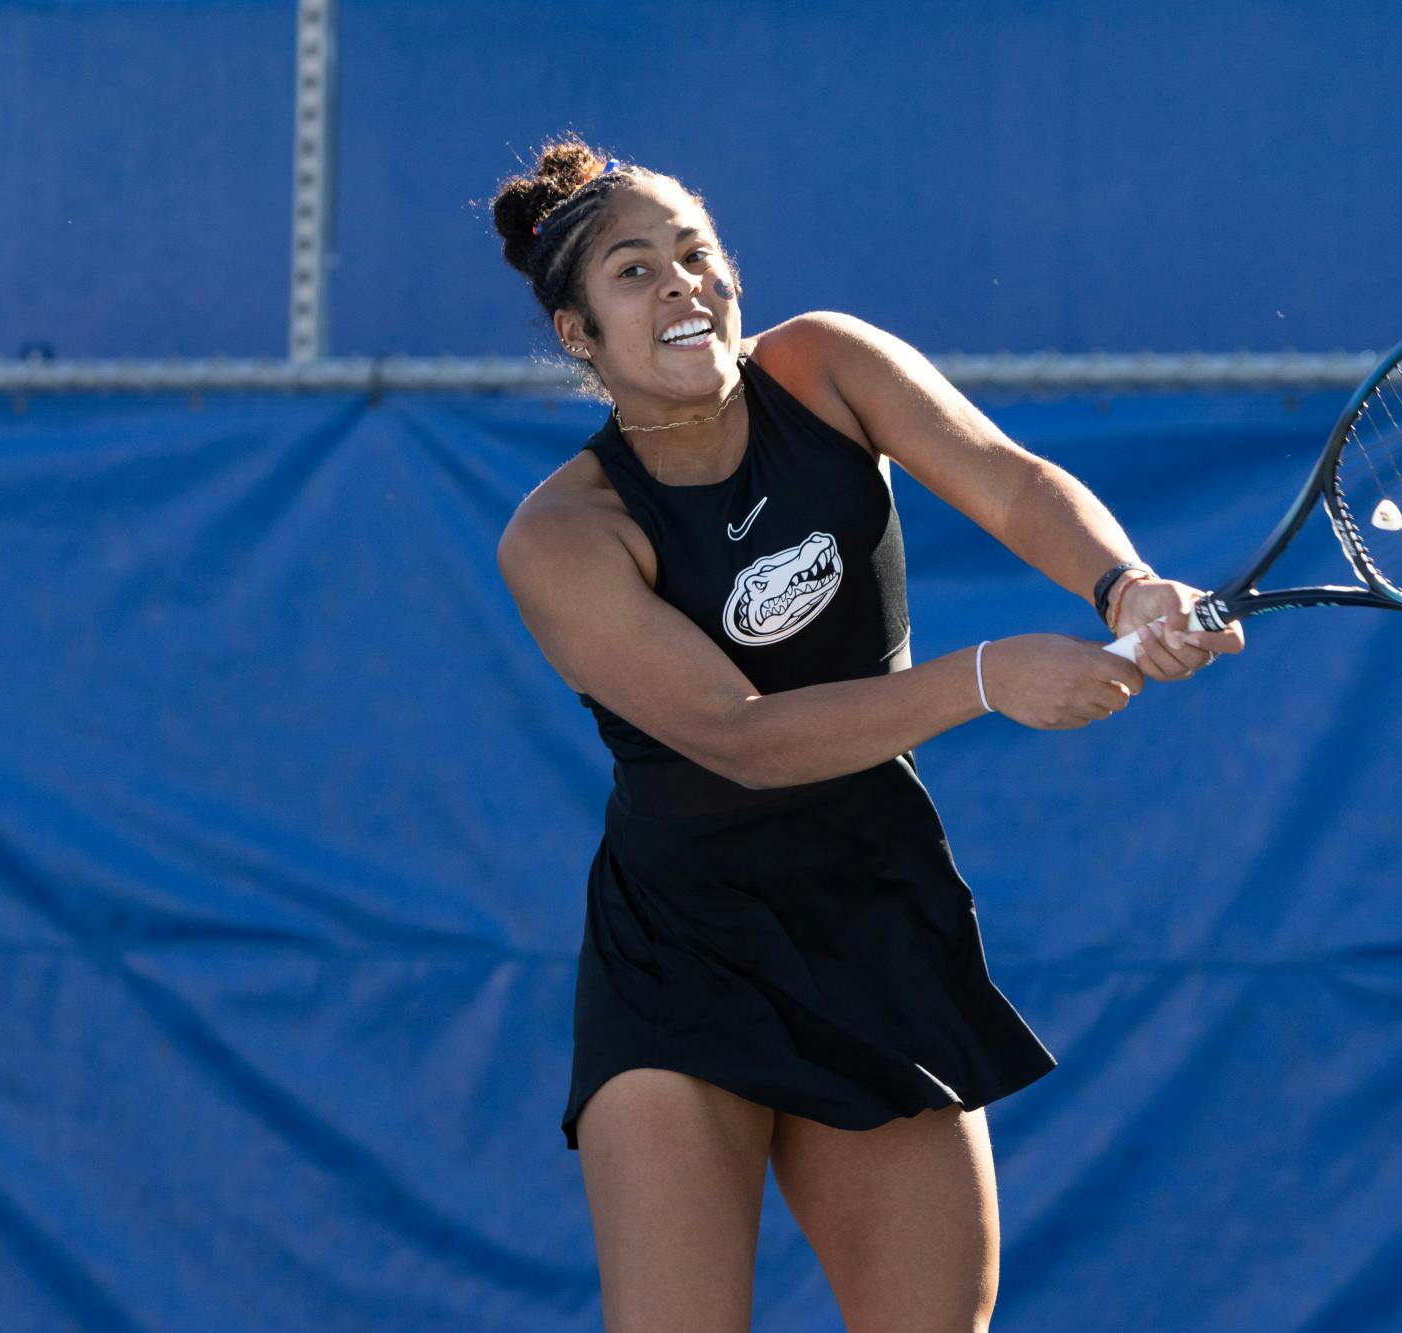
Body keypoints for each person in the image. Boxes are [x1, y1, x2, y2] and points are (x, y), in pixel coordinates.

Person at [488, 135, 1244, 1333]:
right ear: (578, 334)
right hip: (682, 950)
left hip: (871, 910)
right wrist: (985, 677)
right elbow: (740, 737)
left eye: (696, 253)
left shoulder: (825, 368)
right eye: (634, 272)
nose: (683, 284)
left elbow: (1005, 478)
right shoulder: (562, 536)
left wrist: (1124, 586)